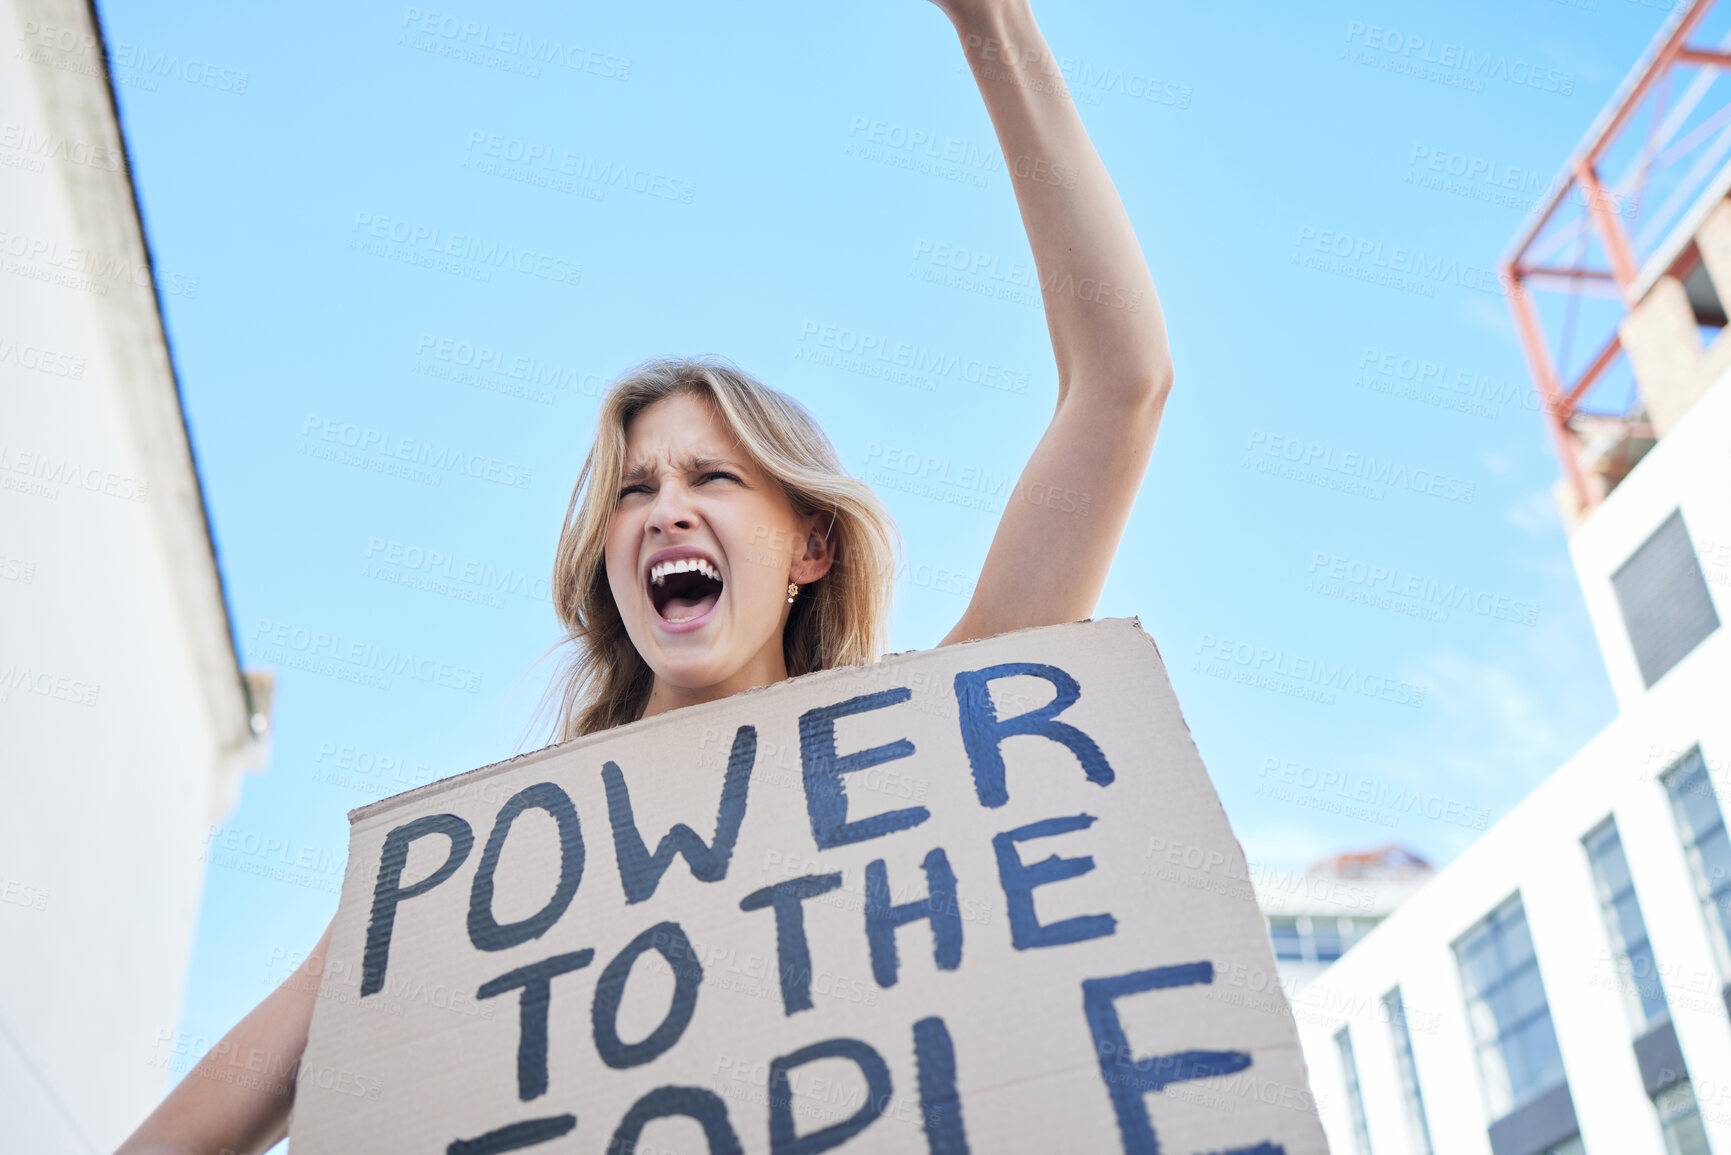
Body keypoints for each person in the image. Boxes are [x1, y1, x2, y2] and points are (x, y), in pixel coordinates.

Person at [117, 0, 1172, 1149]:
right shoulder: (485, 877)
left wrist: (992, 26)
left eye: (713, 478)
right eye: (633, 490)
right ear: (612, 564)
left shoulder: (923, 758)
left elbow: (1122, 384)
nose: (666, 506)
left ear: (810, 549)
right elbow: (229, 1102)